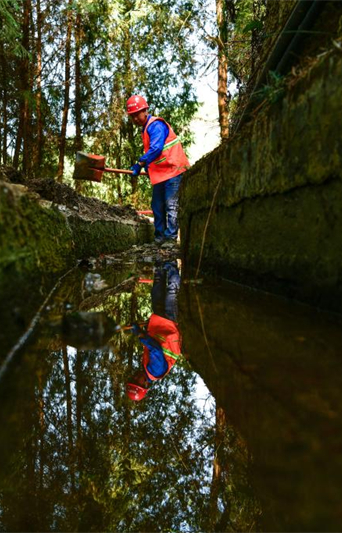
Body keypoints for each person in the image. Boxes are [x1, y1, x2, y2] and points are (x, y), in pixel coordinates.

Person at [126, 95, 191, 248]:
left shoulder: (155, 125)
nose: (135, 118)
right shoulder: (146, 129)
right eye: (132, 116)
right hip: (161, 174)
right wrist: (148, 168)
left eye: (138, 113)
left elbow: (156, 148)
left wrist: (140, 163)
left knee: (171, 205)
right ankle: (159, 238)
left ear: (145, 110)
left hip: (174, 170)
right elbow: (155, 155)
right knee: (157, 206)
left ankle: (170, 239)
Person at [125, 261, 182, 401]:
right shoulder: (154, 372)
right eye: (136, 381)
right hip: (169, 325)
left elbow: (154, 345)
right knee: (171, 291)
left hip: (159, 324)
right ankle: (172, 263)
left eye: (132, 378)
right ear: (145, 385)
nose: (135, 376)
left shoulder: (146, 369)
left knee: (156, 290)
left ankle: (160, 263)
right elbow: (155, 349)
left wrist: (145, 331)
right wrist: (140, 334)